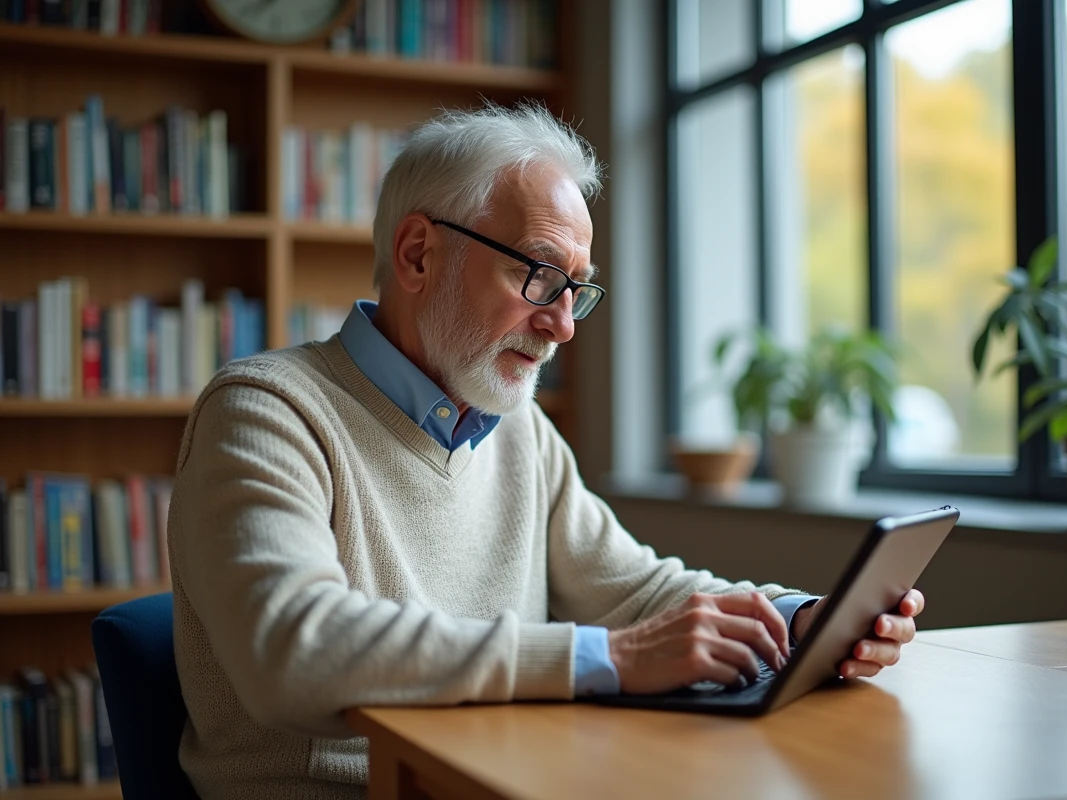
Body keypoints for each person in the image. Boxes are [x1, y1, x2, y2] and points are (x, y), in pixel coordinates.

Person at [167, 103, 925, 800]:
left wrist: (793, 622)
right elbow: (292, 653)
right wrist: (611, 658)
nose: (564, 325)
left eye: (578, 290)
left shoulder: (519, 430)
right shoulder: (266, 411)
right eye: (538, 274)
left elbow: (633, 592)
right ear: (419, 254)